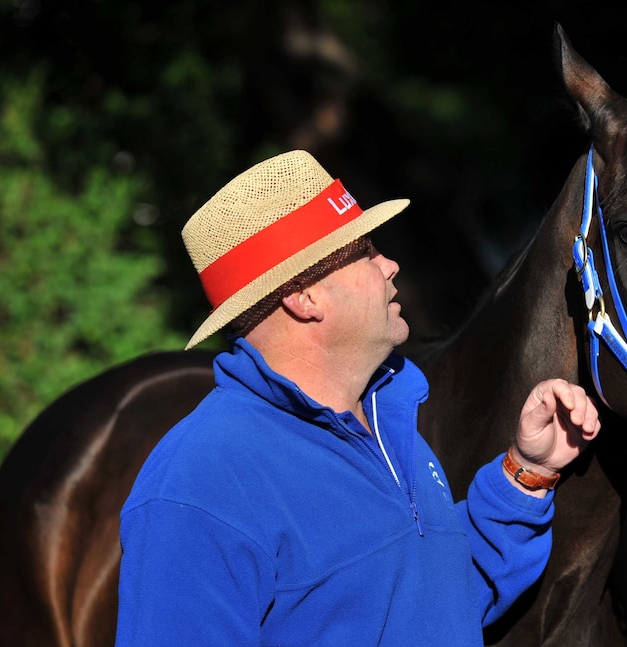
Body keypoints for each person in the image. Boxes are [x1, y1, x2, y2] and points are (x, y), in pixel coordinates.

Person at [115, 150, 601, 646]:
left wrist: (525, 473)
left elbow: (438, 598)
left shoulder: (386, 416)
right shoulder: (199, 485)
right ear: (304, 297)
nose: (390, 265)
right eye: (364, 252)